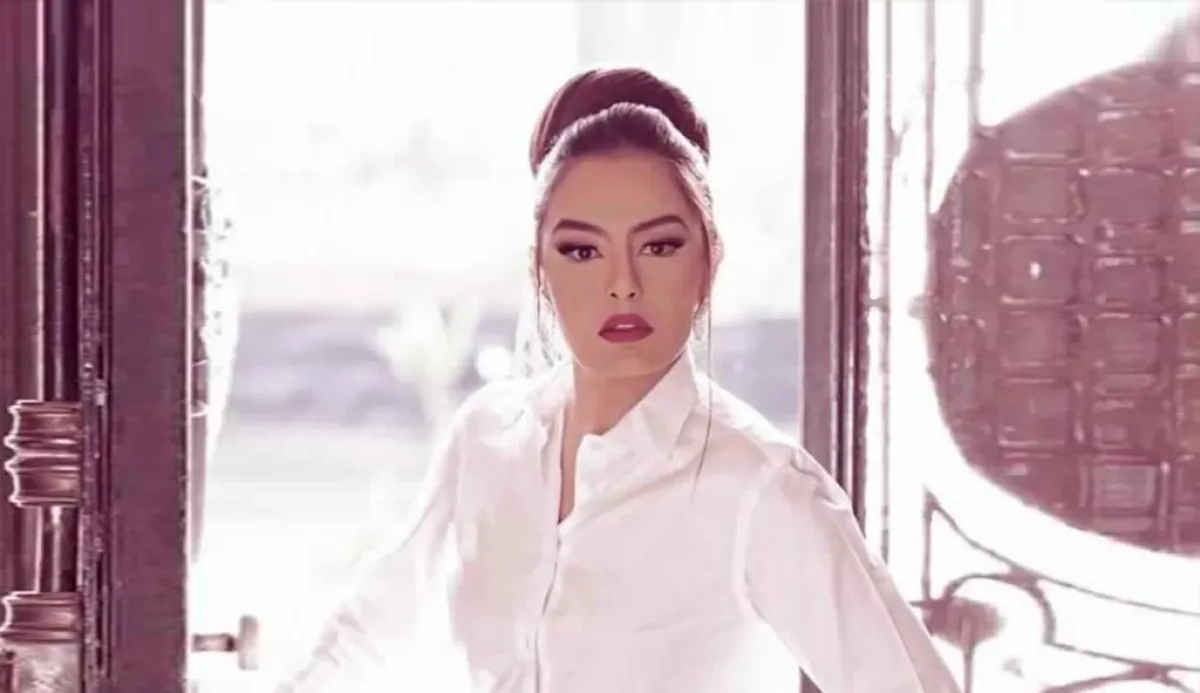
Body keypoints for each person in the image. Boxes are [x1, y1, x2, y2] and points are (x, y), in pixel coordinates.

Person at [272, 66, 960, 693]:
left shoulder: (761, 487)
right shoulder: (485, 438)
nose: (622, 284)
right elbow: (366, 636)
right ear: (540, 267)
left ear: (709, 259)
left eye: (659, 246)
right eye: (581, 250)